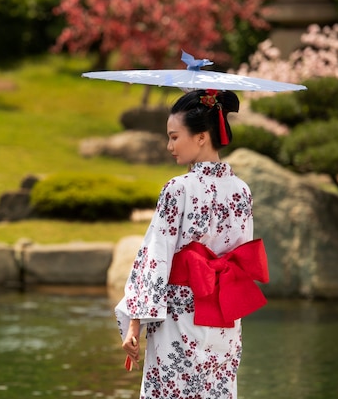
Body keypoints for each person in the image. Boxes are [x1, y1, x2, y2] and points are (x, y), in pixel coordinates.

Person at [115, 88, 269, 399]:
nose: (169, 145)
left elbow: (154, 258)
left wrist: (135, 324)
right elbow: (241, 256)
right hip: (224, 318)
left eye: (174, 136)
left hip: (179, 318)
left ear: (201, 137)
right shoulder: (241, 190)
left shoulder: (178, 189)